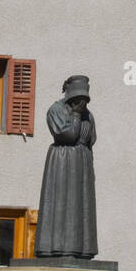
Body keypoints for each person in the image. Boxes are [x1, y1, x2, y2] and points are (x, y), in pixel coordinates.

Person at [34, 74, 98, 259]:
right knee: (60, 203)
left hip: (82, 163)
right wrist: (76, 115)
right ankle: (54, 248)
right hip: (62, 161)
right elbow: (68, 135)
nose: (81, 104)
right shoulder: (56, 110)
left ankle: (82, 249)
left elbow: (91, 139)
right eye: (78, 99)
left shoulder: (89, 115)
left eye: (84, 100)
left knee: (81, 206)